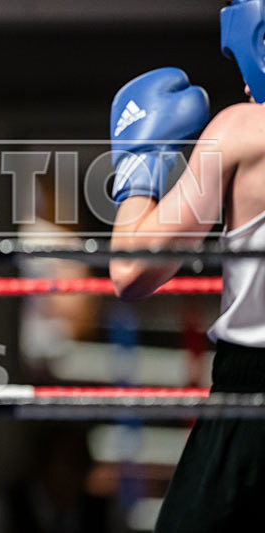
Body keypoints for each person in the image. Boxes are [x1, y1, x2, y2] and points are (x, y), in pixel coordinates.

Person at [109, 1, 265, 530]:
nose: (244, 86)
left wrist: (140, 164)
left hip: (252, 405)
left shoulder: (244, 131)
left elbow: (130, 272)